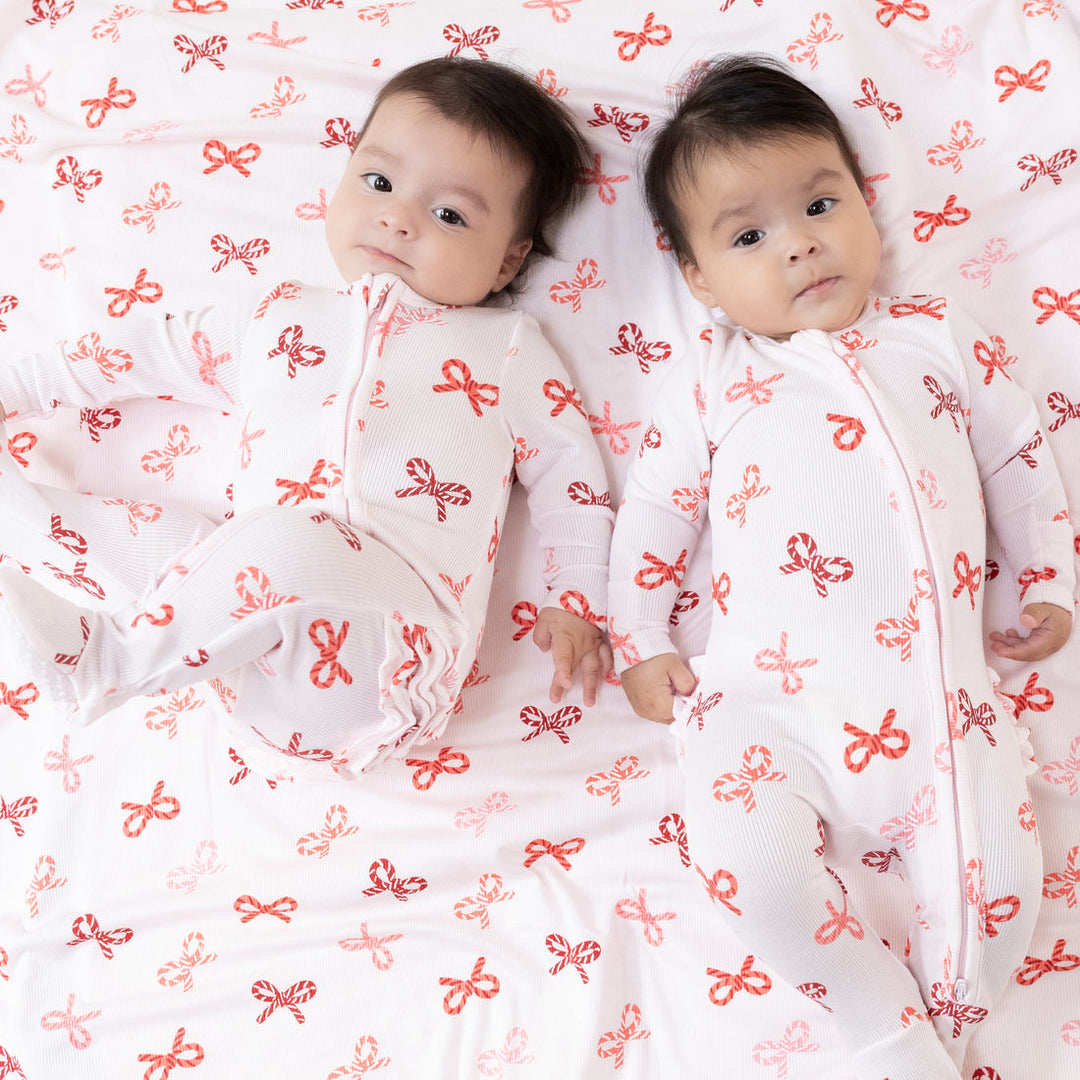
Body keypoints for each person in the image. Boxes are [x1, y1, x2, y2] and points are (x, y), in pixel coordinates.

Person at [608, 55, 1074, 1080]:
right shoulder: (713, 379)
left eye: (821, 202)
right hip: (759, 702)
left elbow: (1019, 463)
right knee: (746, 866)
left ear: (866, 204)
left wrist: (1048, 578)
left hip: (937, 701)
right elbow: (652, 513)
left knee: (1002, 877)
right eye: (749, 235)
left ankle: (953, 1027)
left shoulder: (937, 339)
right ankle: (882, 1027)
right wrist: (638, 635)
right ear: (696, 278)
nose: (801, 243)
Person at [0, 57, 614, 780]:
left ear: (508, 262)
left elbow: (572, 474)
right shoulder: (277, 315)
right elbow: (133, 353)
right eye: (379, 183)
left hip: (388, 657)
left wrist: (578, 599)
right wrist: (19, 388)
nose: (397, 217)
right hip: (236, 654)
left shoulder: (502, 348)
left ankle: (109, 661)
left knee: (283, 541)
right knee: (182, 546)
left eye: (449, 214)